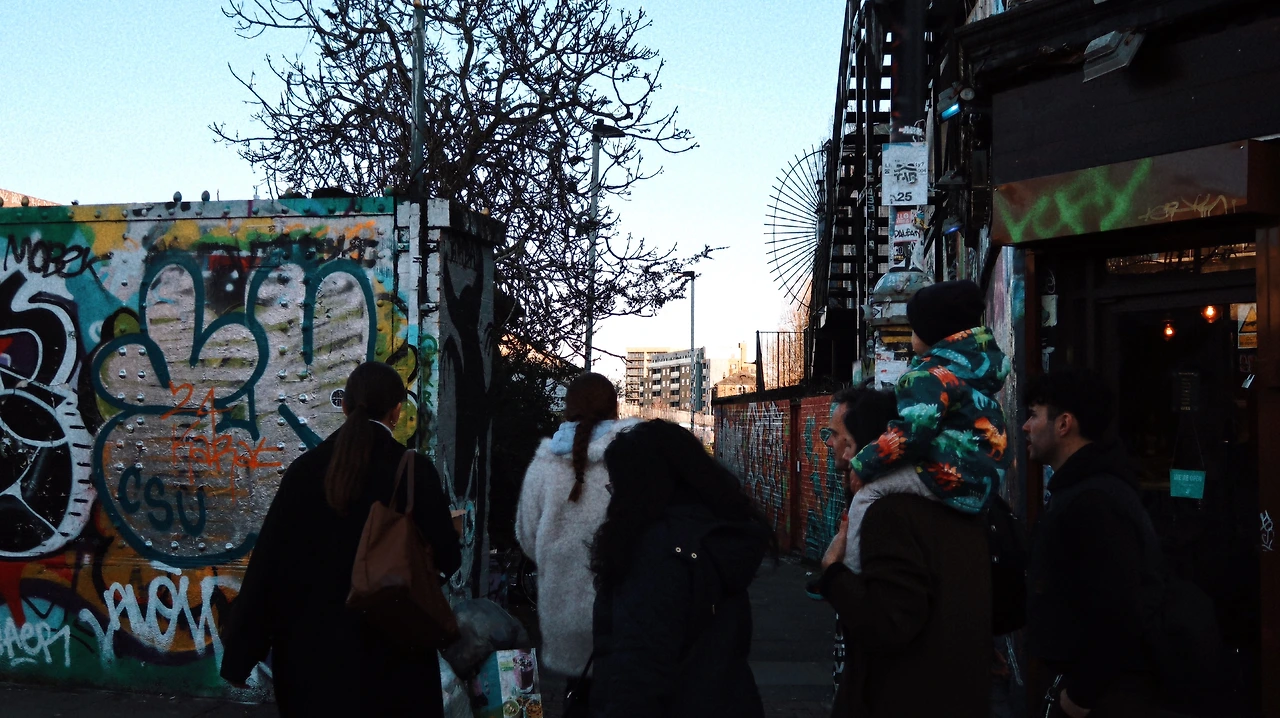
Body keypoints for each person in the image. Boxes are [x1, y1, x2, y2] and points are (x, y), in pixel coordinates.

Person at [220, 362, 461, 717]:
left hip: (311, 666)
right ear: (396, 411)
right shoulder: (413, 472)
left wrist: (240, 657)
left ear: (345, 406)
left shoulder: (305, 471)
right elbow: (448, 558)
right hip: (395, 663)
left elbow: (268, 569)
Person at [818, 387, 992, 718]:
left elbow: (887, 623)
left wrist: (833, 573)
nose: (835, 447)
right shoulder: (961, 507)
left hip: (904, 697)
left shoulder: (888, 514)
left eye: (843, 439)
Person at [588, 420, 772, 718]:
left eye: (615, 487)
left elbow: (639, 669)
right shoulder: (717, 537)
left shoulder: (657, 552)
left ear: (637, 489)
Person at [1022, 369, 1159, 717]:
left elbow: (1119, 609)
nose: (1025, 426)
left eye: (1034, 415)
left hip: (1100, 697)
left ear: (1064, 424)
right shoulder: (1079, 491)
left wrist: (1080, 697)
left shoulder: (1094, 501)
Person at [849, 279, 1010, 517]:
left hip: (948, 476)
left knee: (867, 495)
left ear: (931, 333)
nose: (912, 336)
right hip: (984, 482)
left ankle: (849, 544)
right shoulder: (974, 371)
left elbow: (911, 433)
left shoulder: (926, 377)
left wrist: (863, 464)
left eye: (914, 329)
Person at [515, 372, 637, 682]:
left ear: (567, 409)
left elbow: (528, 538)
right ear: (615, 408)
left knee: (579, 696)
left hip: (563, 615)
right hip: (626, 611)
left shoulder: (543, 466)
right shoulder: (634, 458)